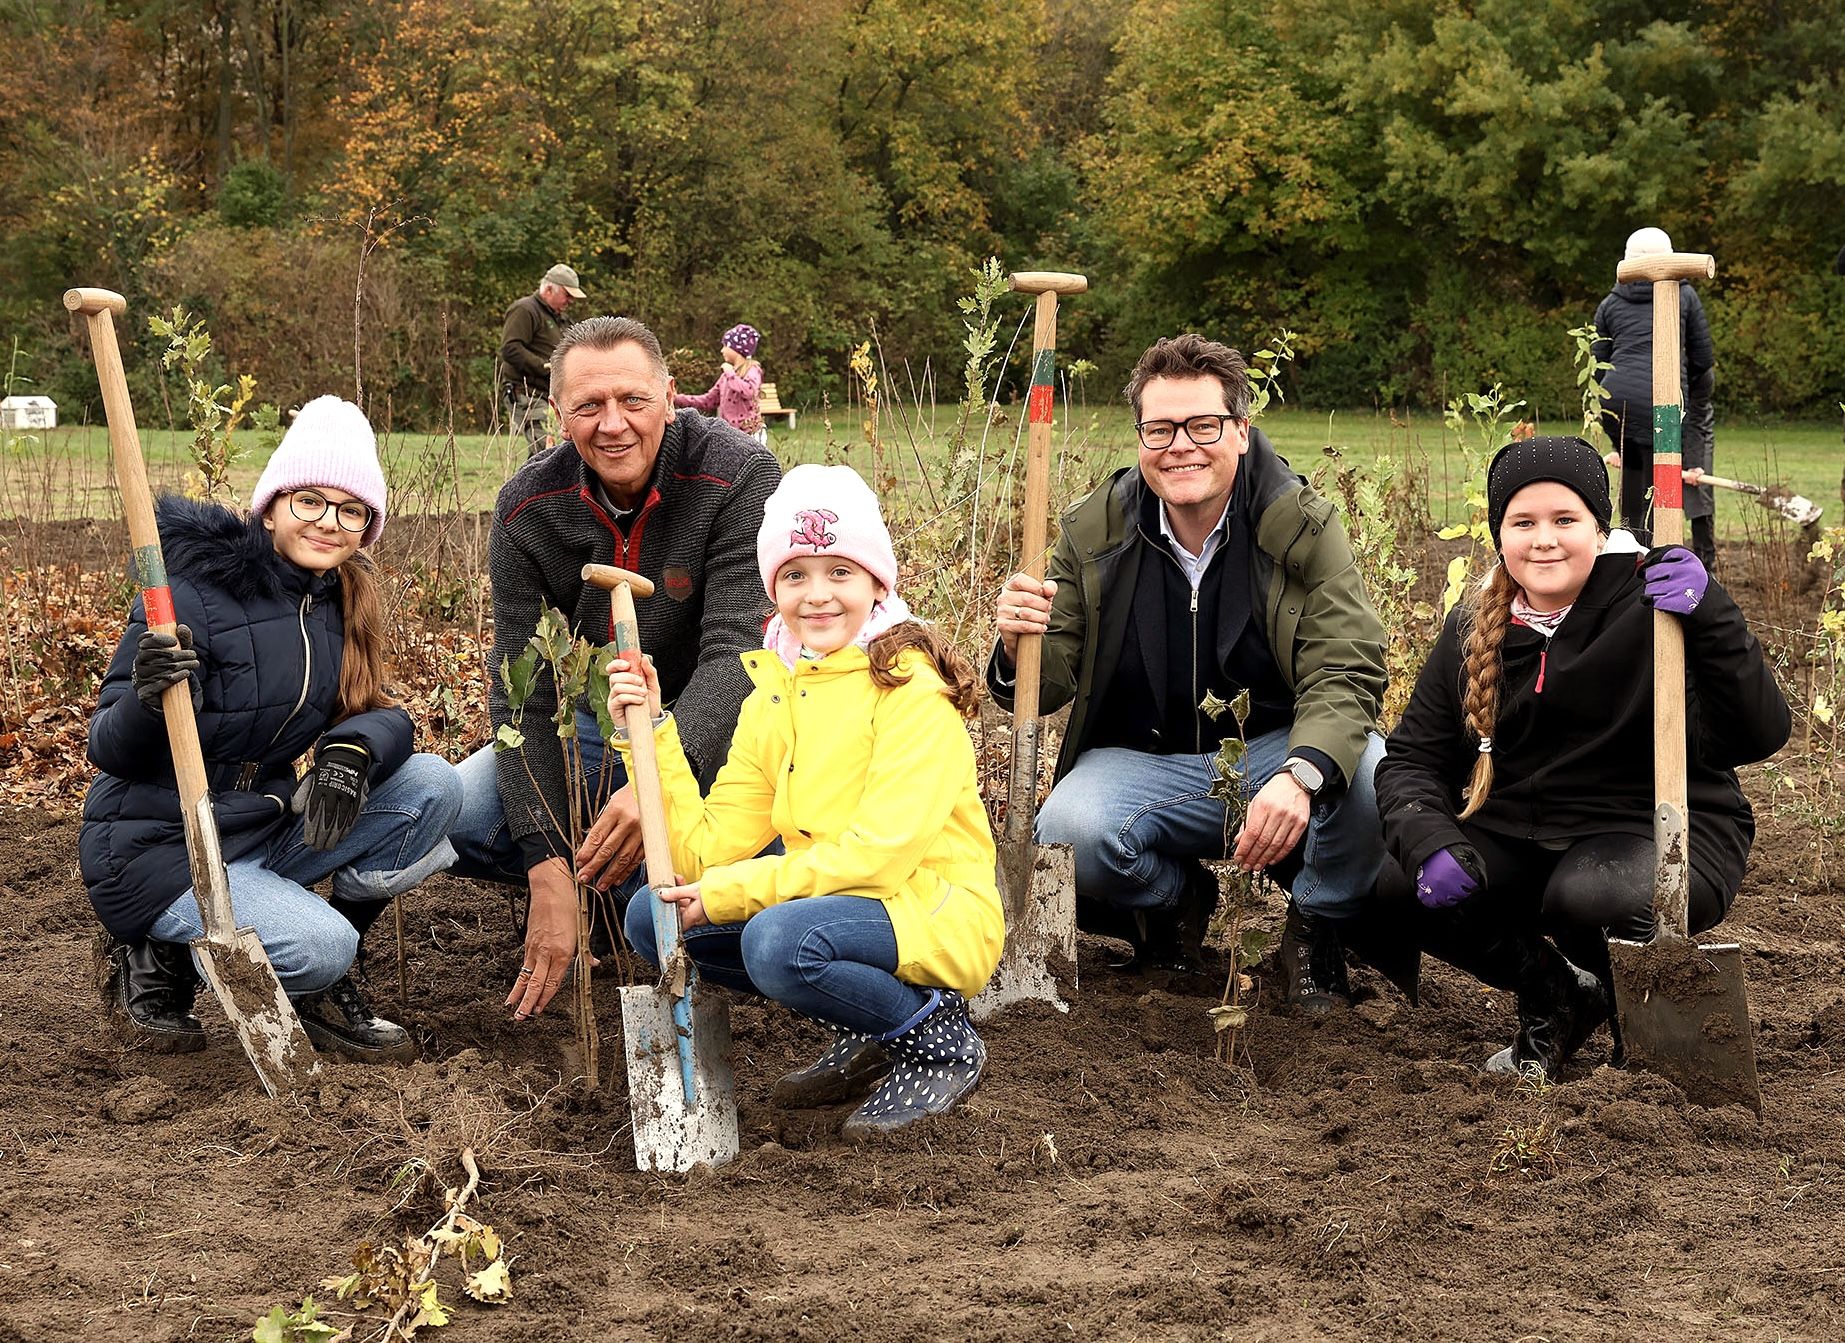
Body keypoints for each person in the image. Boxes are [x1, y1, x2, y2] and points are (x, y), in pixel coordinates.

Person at [988, 333, 1391, 1010]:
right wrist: (1015, 641)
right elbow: (1047, 680)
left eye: (1202, 425)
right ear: (1140, 437)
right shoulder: (1094, 531)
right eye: (1160, 428)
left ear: (1239, 430)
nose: (1181, 445)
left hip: (1270, 753)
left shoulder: (1300, 526)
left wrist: (1300, 774)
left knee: (1369, 774)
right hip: (1144, 762)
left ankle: (1316, 928)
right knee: (1069, 830)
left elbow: (1346, 665)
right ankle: (1174, 902)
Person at [607, 464, 1004, 1138]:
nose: (816, 596)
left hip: (931, 908)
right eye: (795, 575)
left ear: (878, 582)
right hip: (837, 904)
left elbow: (878, 856)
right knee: (653, 915)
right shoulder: (777, 692)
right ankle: (868, 1028)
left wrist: (729, 893)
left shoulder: (910, 689)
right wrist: (651, 730)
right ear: (773, 589)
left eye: (839, 572)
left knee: (777, 941)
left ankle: (936, 1036)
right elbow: (705, 848)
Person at [1374, 436, 1790, 1078]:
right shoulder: (1472, 629)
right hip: (1525, 831)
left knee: (1590, 896)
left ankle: (1644, 1037)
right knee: (1397, 884)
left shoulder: (1655, 604)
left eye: (1565, 520)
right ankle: (1556, 993)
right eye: (1523, 522)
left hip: (1660, 826)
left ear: (1599, 528)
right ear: (1499, 535)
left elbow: (1759, 734)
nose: (1544, 540)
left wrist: (1713, 616)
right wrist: (1427, 838)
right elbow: (1411, 760)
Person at [82, 396, 463, 1062]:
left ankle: (314, 986)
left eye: (351, 510)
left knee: (432, 783)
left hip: (257, 827)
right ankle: (154, 944)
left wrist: (351, 749)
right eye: (310, 500)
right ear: (273, 502)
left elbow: (375, 709)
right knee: (321, 945)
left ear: (367, 525)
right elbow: (107, 748)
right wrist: (149, 699)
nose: (328, 522)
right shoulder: (192, 592)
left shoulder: (337, 601)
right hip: (162, 843)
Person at [449, 315, 781, 1023]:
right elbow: (524, 693)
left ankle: (632, 894)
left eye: (632, 400)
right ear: (557, 415)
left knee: (757, 856)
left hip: (723, 739)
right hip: (604, 731)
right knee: (461, 812)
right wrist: (545, 864)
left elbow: (738, 656)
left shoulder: (737, 475)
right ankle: (592, 892)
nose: (613, 425)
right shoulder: (527, 508)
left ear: (669, 395)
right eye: (588, 406)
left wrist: (653, 780)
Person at [1593, 227, 1716, 558]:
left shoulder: (1609, 303)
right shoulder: (1684, 295)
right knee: (1661, 485)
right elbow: (1703, 360)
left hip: (1614, 403)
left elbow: (1599, 362)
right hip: (1662, 404)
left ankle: (1629, 562)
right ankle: (1667, 561)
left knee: (1633, 483)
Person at [496, 264, 585, 457]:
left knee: (562, 448)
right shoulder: (525, 310)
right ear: (549, 289)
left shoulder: (561, 318)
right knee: (546, 449)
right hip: (527, 393)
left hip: (552, 396)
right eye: (567, 295)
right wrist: (546, 367)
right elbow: (510, 349)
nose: (570, 301)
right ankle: (530, 486)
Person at [674, 324, 767, 444]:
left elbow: (749, 391)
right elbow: (707, 401)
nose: (721, 350)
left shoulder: (752, 370)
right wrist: (677, 398)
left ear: (736, 348)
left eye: (724, 345)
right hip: (730, 436)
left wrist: (729, 372)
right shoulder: (726, 377)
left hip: (751, 435)